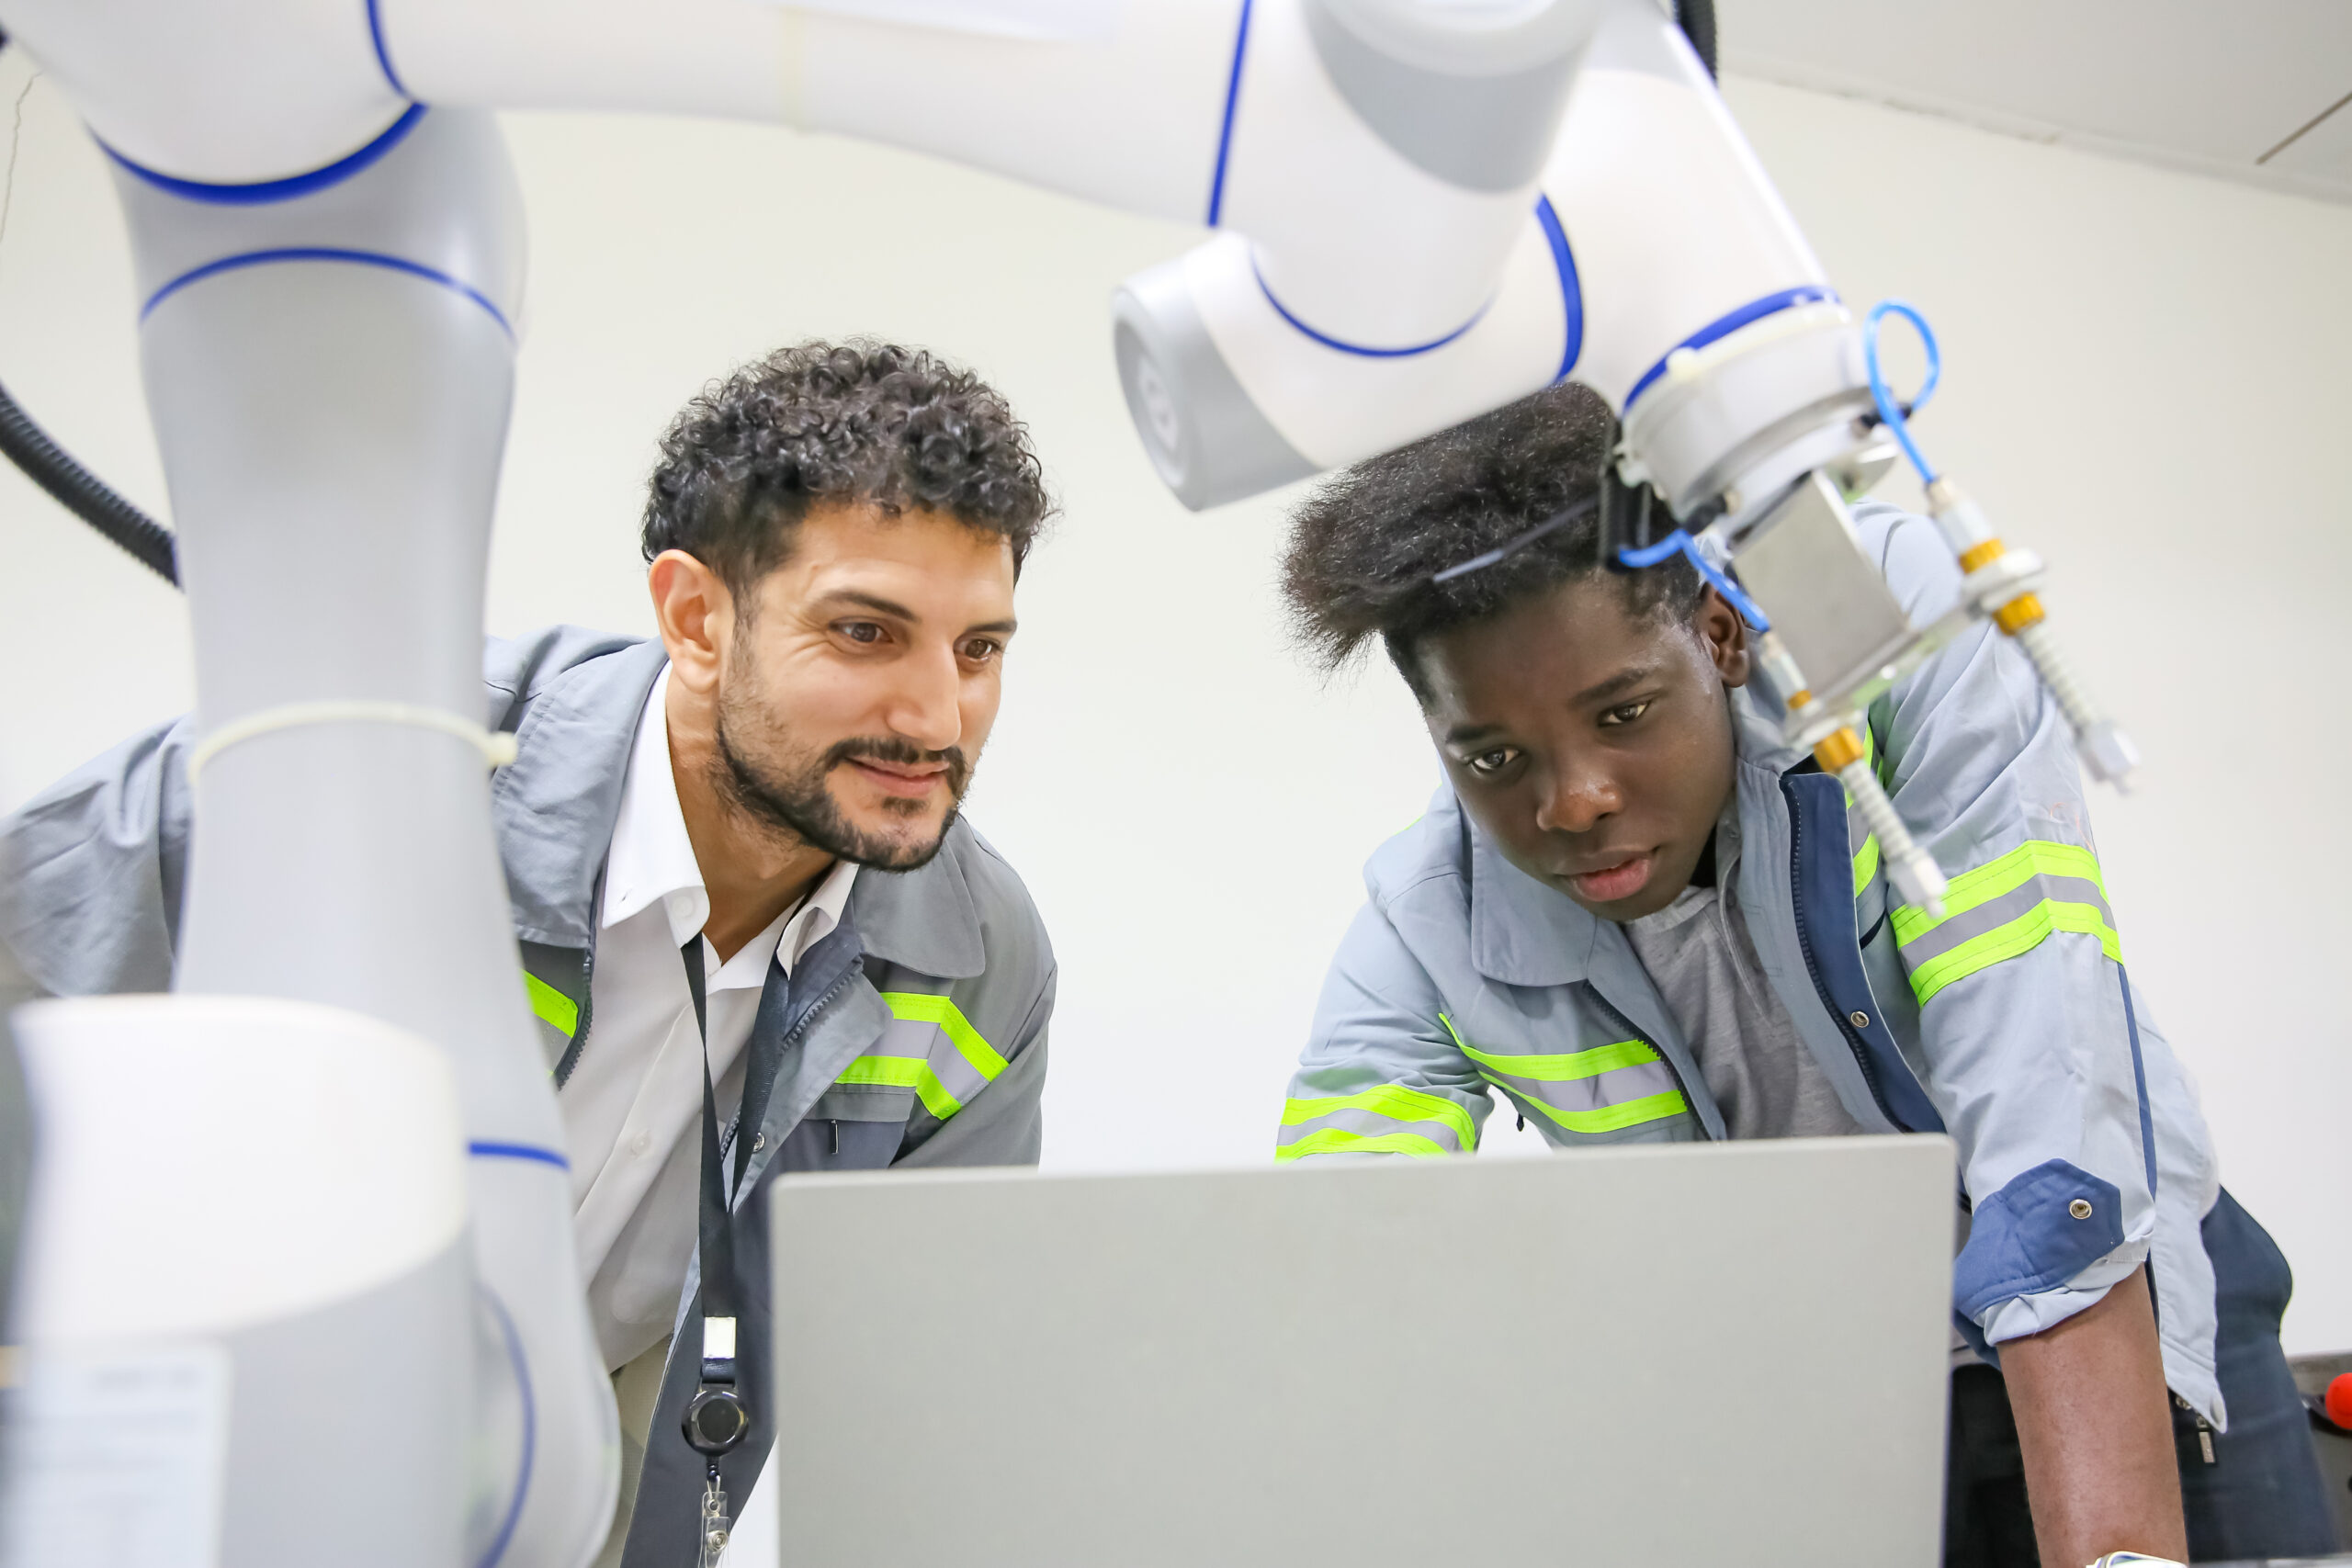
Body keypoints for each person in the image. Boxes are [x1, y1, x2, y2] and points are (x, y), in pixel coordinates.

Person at [0, 340, 1059, 1566]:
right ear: (696, 616)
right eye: (867, 632)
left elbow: (919, 1400)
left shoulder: (977, 962)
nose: (937, 716)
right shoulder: (368, 766)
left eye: (979, 649)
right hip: (202, 1479)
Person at [1272, 381, 2335, 1565]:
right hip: (1844, 1385)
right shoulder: (1432, 918)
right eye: (1495, 755)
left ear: (1722, 632)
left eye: (1623, 711)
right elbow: (1340, 1259)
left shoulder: (1888, 641)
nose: (1571, 801)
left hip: (2110, 1294)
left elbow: (2051, 1116)